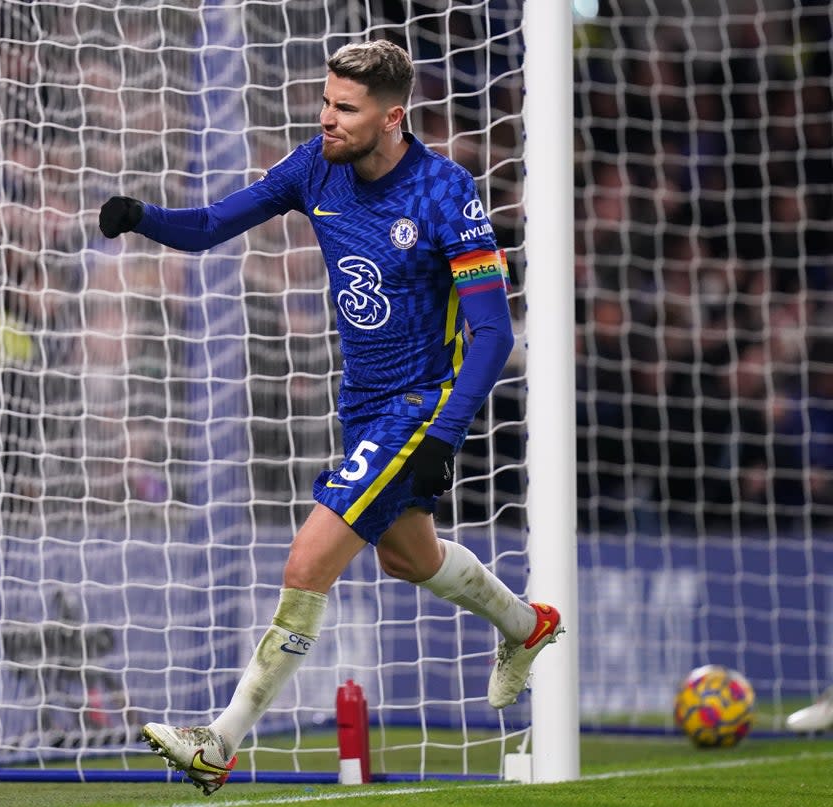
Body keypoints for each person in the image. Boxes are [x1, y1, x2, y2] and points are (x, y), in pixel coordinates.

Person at [98, 39, 562, 795]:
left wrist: (443, 435)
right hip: (362, 405)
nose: (327, 120)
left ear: (392, 116)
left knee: (307, 559)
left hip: (418, 405)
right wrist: (143, 218)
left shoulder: (445, 192)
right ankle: (525, 624)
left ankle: (217, 742)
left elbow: (494, 333)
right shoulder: (316, 165)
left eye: (345, 108)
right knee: (408, 557)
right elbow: (215, 222)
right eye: (325, 101)